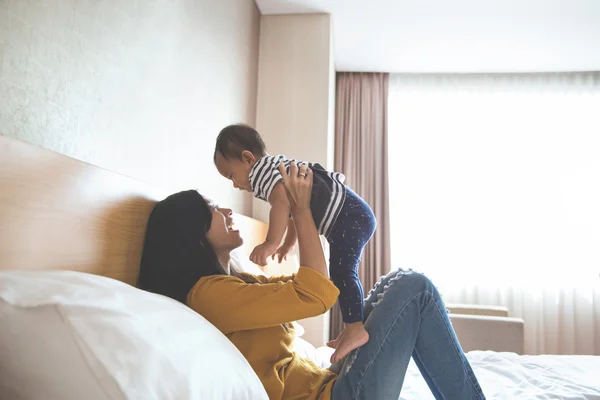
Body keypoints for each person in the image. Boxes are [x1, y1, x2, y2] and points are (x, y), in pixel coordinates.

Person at [138, 162, 486, 400]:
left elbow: (310, 287)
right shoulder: (209, 295)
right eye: (213, 207)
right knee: (415, 289)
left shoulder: (234, 282)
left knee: (395, 283)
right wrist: (301, 211)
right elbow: (316, 294)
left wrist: (293, 225)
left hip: (331, 384)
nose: (227, 211)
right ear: (192, 232)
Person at [213, 124, 375, 362]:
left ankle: (355, 328)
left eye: (231, 175)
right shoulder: (274, 168)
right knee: (342, 272)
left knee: (342, 272)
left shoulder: (262, 171)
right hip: (351, 214)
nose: (235, 184)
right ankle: (353, 325)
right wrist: (288, 244)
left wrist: (269, 243)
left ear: (247, 158)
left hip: (349, 215)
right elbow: (290, 209)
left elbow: (281, 204)